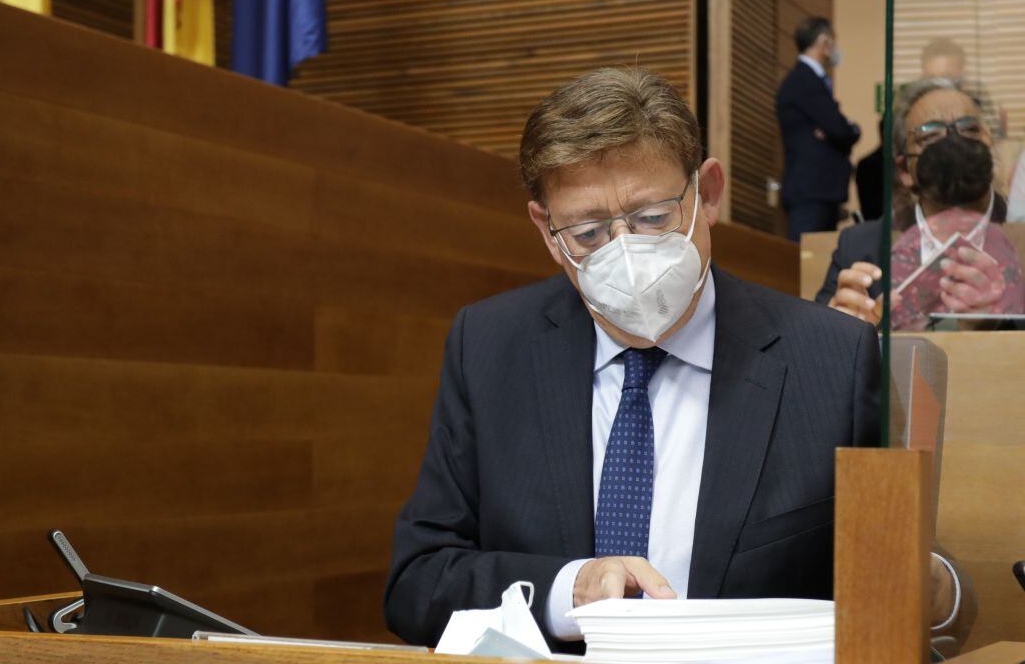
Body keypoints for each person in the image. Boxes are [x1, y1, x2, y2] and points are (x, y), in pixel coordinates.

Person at [384, 67, 960, 654]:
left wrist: (930, 582)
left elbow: (916, 577)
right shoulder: (488, 347)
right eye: (586, 232)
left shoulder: (831, 360)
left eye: (652, 219)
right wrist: (567, 592)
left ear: (707, 194)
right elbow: (419, 579)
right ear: (546, 230)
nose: (623, 252)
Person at [817, 78, 1024, 330]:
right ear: (904, 169)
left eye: (969, 129)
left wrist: (996, 322)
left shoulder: (1019, 232)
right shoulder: (859, 248)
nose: (954, 142)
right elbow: (813, 352)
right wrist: (843, 332)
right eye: (931, 135)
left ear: (991, 148)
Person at [775, 16, 861, 242]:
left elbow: (833, 128)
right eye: (833, 40)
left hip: (818, 190)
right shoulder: (805, 80)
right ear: (824, 43)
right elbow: (840, 129)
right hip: (811, 190)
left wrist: (836, 131)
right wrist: (851, 129)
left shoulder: (809, 79)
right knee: (805, 263)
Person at [920, 38, 1005, 140]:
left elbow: (992, 136)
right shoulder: (913, 99)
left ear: (961, 72)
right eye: (931, 78)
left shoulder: (975, 94)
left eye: (946, 77)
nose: (938, 84)